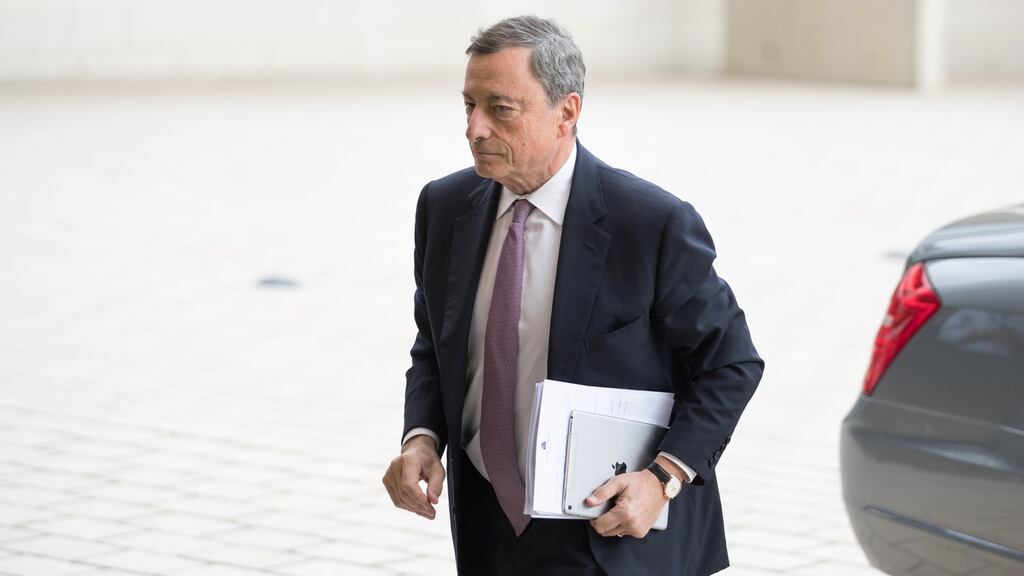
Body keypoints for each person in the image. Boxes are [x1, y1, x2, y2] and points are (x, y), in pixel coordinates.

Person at [382, 15, 763, 576]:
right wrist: (422, 438)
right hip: (487, 526)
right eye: (468, 106)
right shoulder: (444, 208)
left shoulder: (650, 224)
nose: (475, 129)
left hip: (611, 532)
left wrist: (663, 478)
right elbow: (435, 343)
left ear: (567, 112)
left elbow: (731, 363)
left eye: (500, 108)